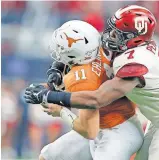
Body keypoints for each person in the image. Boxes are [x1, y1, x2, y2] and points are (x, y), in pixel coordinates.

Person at [24, 5, 159, 160]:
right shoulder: (122, 47)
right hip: (153, 119)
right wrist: (57, 70)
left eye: (119, 34)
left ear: (135, 39)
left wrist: (51, 97)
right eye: (113, 29)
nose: (111, 36)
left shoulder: (138, 61)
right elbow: (82, 45)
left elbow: (97, 99)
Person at [27, 20, 143, 160]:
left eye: (61, 50)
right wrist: (55, 78)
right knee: (48, 156)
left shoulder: (82, 79)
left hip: (118, 131)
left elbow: (89, 131)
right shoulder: (100, 46)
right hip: (113, 121)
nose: (58, 55)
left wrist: (61, 111)